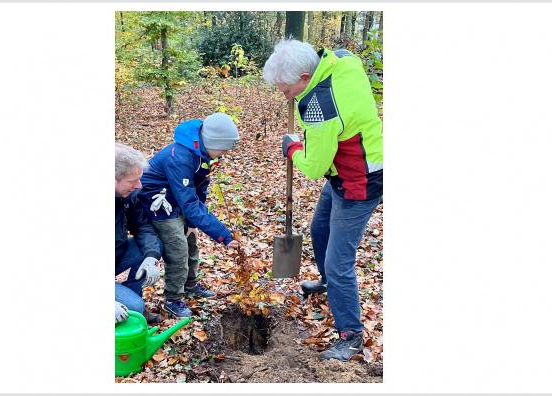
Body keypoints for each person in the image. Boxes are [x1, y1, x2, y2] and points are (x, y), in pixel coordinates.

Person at [263, 39, 383, 361]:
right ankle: (330, 284)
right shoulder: (340, 61)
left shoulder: (320, 107)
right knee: (319, 230)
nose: (284, 95)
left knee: (338, 259)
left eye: (286, 88)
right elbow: (347, 55)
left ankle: (351, 335)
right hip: (344, 168)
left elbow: (313, 167)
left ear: (304, 77)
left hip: (360, 180)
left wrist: (292, 147)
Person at [138, 112, 241, 318]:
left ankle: (191, 284)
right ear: (212, 141)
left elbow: (200, 187)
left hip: (179, 198)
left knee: (191, 239)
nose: (224, 153)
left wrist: (193, 223)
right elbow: (190, 202)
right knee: (177, 247)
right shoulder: (181, 157)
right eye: (222, 148)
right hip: (160, 204)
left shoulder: (202, 154)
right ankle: (173, 298)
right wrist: (224, 236)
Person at [115, 143, 164, 324]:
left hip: (116, 255)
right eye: (132, 181)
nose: (139, 185)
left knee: (154, 245)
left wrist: (151, 256)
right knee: (133, 308)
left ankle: (135, 302)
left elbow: (143, 227)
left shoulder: (127, 195)